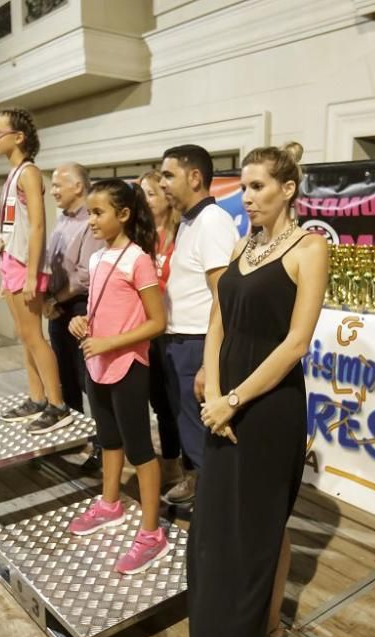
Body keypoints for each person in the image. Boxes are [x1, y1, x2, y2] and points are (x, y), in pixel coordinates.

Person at [188, 143, 327, 637]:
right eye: (243, 187)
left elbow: (296, 343)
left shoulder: (310, 248)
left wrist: (236, 399)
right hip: (223, 407)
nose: (245, 198)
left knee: (259, 529)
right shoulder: (246, 246)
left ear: (287, 189)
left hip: (269, 411)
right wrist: (218, 395)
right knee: (216, 528)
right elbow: (217, 322)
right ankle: (219, 636)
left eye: (257, 187)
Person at [66, 179, 170, 574]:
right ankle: (110, 503)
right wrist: (82, 322)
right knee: (108, 438)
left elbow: (157, 322)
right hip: (98, 363)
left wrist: (110, 343)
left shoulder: (138, 259)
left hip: (127, 365)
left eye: (98, 212)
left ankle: (150, 532)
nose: (91, 220)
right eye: (90, 212)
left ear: (123, 215)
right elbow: (100, 311)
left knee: (140, 448)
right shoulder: (97, 259)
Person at [158, 144, 239, 504]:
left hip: (198, 344)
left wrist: (210, 362)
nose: (162, 184)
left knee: (202, 434)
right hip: (179, 342)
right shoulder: (189, 221)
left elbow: (225, 297)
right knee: (187, 429)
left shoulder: (212, 222)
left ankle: (214, 512)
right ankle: (197, 490)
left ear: (195, 177)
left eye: (168, 175)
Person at [0, 108, 73, 434]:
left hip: (25, 266)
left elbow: (38, 226)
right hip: (11, 262)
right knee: (24, 337)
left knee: (35, 337)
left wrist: (29, 274)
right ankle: (37, 398)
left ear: (19, 136)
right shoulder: (12, 175)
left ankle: (57, 404)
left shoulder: (29, 172)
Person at [46, 162, 104, 469]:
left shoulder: (89, 224)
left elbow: (84, 277)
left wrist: (55, 298)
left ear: (78, 187)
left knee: (87, 380)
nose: (53, 190)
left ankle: (100, 445)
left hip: (79, 307)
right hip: (56, 307)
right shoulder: (61, 220)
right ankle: (72, 437)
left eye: (58, 184)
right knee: (65, 377)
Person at [139, 170, 184, 492]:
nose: (145, 201)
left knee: (177, 403)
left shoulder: (183, 235)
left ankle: (185, 466)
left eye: (151, 194)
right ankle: (168, 462)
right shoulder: (139, 237)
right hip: (145, 333)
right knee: (158, 403)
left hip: (177, 331)